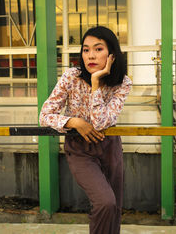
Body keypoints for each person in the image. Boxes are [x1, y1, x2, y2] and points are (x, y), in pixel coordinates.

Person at [39, 26, 132, 234]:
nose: (90, 55)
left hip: (109, 147)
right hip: (80, 150)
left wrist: (96, 83)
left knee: (114, 208)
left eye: (98, 49)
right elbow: (44, 116)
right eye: (86, 49)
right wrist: (74, 122)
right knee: (105, 202)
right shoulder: (71, 77)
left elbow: (100, 123)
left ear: (111, 55)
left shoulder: (122, 83)